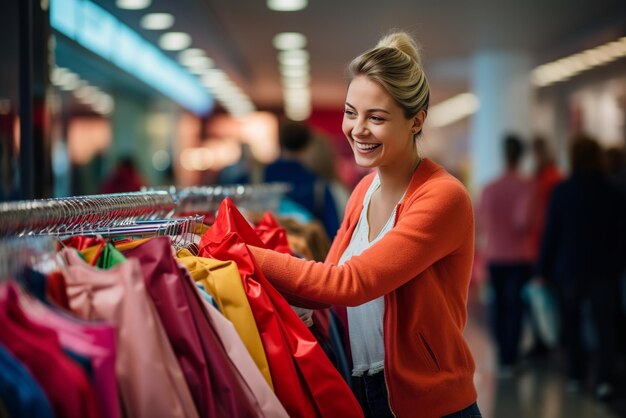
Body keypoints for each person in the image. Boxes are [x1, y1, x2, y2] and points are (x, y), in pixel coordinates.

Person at [248, 31, 480, 418]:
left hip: (431, 404)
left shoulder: (443, 197)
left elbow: (349, 284)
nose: (357, 129)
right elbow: (328, 280)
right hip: (363, 389)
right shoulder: (363, 191)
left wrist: (239, 251)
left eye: (377, 118)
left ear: (415, 121)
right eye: (351, 112)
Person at [536, 134, 625, 401]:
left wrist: (542, 270)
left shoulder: (562, 191)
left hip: (570, 268)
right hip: (604, 270)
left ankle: (576, 374)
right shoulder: (613, 191)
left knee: (571, 323)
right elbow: (621, 234)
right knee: (604, 325)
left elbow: (552, 233)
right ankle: (605, 379)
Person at [477, 134, 535, 375]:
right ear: (521, 156)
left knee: (498, 307)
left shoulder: (489, 187)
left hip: (494, 255)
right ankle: (512, 357)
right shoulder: (527, 187)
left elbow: (480, 221)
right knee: (516, 308)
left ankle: (502, 357)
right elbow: (523, 222)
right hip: (519, 257)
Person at [263, 121, 340, 239]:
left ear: (280, 141)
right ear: (307, 144)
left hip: (271, 247)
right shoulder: (317, 184)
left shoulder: (263, 177)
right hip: (305, 252)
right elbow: (332, 230)